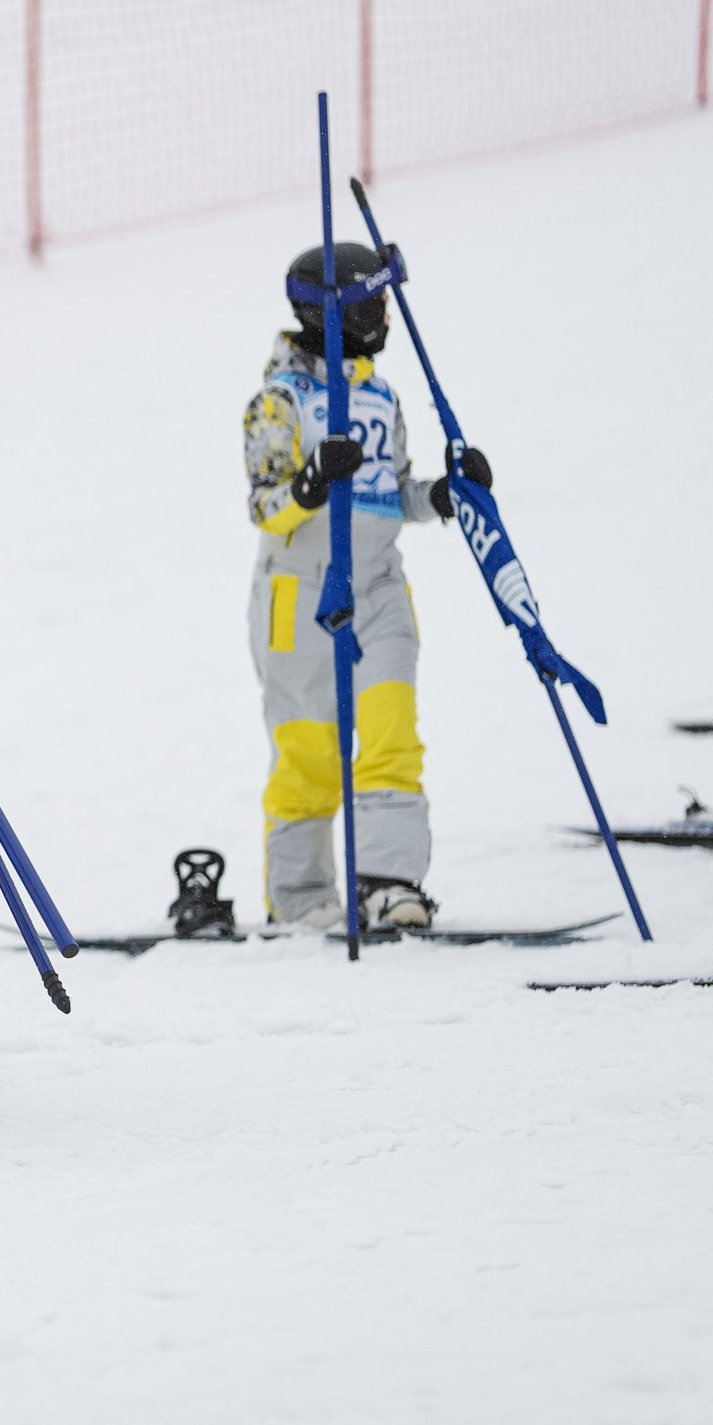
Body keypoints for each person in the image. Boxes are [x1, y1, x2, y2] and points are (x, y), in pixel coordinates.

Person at [242, 243, 490, 930]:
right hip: (298, 597)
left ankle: (387, 881)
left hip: (378, 588)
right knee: (311, 754)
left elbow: (391, 492)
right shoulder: (278, 403)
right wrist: (312, 481)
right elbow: (264, 506)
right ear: (326, 315)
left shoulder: (380, 396)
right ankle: (300, 895)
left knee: (390, 734)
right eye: (369, 305)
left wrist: (443, 494)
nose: (383, 317)